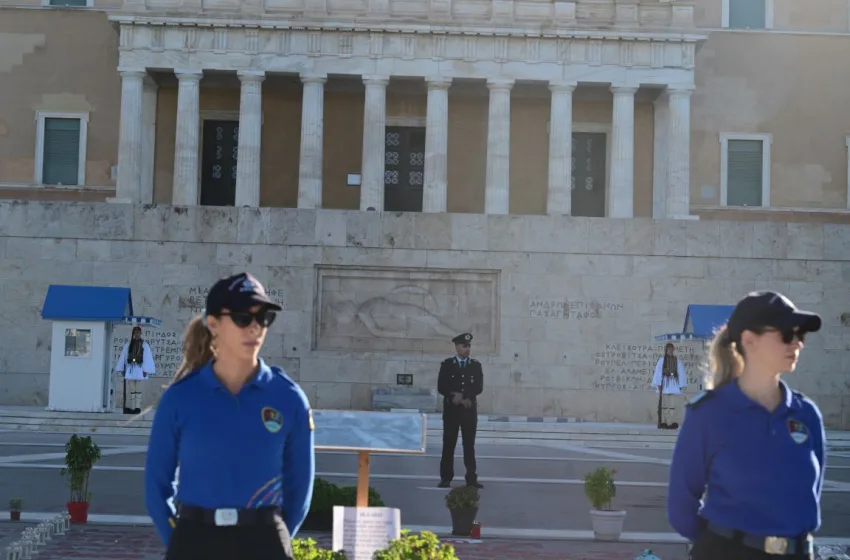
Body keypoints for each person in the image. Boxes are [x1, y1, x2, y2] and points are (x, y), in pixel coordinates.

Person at [144, 272, 316, 560]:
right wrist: (181, 539)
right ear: (213, 324)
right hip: (196, 540)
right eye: (241, 317)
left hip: (264, 542)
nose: (255, 328)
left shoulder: (288, 398)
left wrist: (274, 535)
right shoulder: (181, 398)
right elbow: (156, 486)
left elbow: (299, 487)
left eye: (263, 318)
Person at [667, 291, 827, 560]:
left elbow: (810, 496)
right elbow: (681, 507)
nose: (797, 344)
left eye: (800, 336)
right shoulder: (709, 414)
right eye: (786, 335)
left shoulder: (806, 415)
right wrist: (721, 546)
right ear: (749, 341)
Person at [437, 332, 484, 489]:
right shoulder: (447, 364)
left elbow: (478, 387)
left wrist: (464, 396)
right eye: (464, 346)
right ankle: (445, 478)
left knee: (469, 445)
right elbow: (442, 386)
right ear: (457, 347)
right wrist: (452, 397)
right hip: (452, 411)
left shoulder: (475, 365)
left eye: (469, 346)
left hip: (468, 411)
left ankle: (471, 478)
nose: (467, 349)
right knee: (448, 444)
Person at [115, 326, 156, 414]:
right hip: (130, 369)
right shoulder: (128, 344)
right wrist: (122, 369)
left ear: (140, 333)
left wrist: (146, 370)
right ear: (133, 333)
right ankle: (133, 407)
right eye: (135, 332)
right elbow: (124, 357)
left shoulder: (144, 344)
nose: (136, 334)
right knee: (132, 390)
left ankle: (137, 407)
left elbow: (147, 358)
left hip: (140, 369)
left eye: (138, 332)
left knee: (138, 389)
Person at [652, 343, 687, 430]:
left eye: (672, 349)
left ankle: (671, 422)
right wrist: (658, 384)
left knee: (672, 406)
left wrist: (681, 385)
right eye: (669, 349)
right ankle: (663, 422)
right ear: (666, 350)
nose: (670, 351)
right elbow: (658, 372)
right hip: (664, 384)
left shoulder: (677, 360)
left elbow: (681, 372)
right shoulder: (661, 360)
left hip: (673, 384)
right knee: (663, 406)